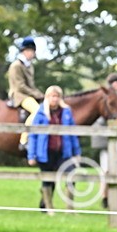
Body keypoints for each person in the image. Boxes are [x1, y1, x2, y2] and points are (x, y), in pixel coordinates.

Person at [26, 85, 79, 213]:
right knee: (47, 179)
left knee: (71, 175)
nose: (54, 99)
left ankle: (69, 208)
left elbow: (73, 133)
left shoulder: (66, 112)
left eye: (56, 96)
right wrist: (31, 155)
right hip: (45, 152)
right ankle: (49, 208)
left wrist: (76, 152)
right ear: (47, 97)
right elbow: (33, 135)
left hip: (63, 151)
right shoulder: (40, 113)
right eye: (52, 96)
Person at [6, 36, 44, 143]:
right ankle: (24, 138)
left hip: (28, 94)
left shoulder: (30, 66)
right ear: (23, 51)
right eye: (29, 51)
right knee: (37, 111)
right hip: (19, 95)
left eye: (32, 51)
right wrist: (37, 94)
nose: (31, 53)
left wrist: (40, 94)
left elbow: (31, 85)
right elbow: (20, 86)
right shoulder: (16, 66)